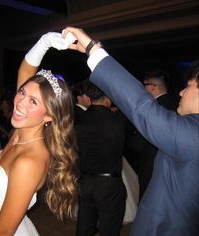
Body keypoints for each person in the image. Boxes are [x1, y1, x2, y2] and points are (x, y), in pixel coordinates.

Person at [62, 27, 199, 236]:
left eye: (188, 86)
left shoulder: (194, 136)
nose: (181, 91)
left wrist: (93, 50)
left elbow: (142, 108)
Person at [0, 32, 78, 235]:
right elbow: (26, 69)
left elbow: (4, 231)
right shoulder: (22, 130)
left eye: (33, 101)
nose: (20, 103)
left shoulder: (30, 160)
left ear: (49, 116)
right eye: (22, 93)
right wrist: (44, 41)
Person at [75, 81, 127, 236]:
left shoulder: (79, 119)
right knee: (109, 228)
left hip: (85, 181)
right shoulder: (117, 121)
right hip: (109, 183)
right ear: (108, 98)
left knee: (84, 225)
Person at [125, 69, 178, 200]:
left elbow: (140, 142)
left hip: (151, 162)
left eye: (145, 84)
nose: (142, 88)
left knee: (148, 199)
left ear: (153, 87)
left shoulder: (153, 108)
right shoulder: (177, 103)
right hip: (173, 163)